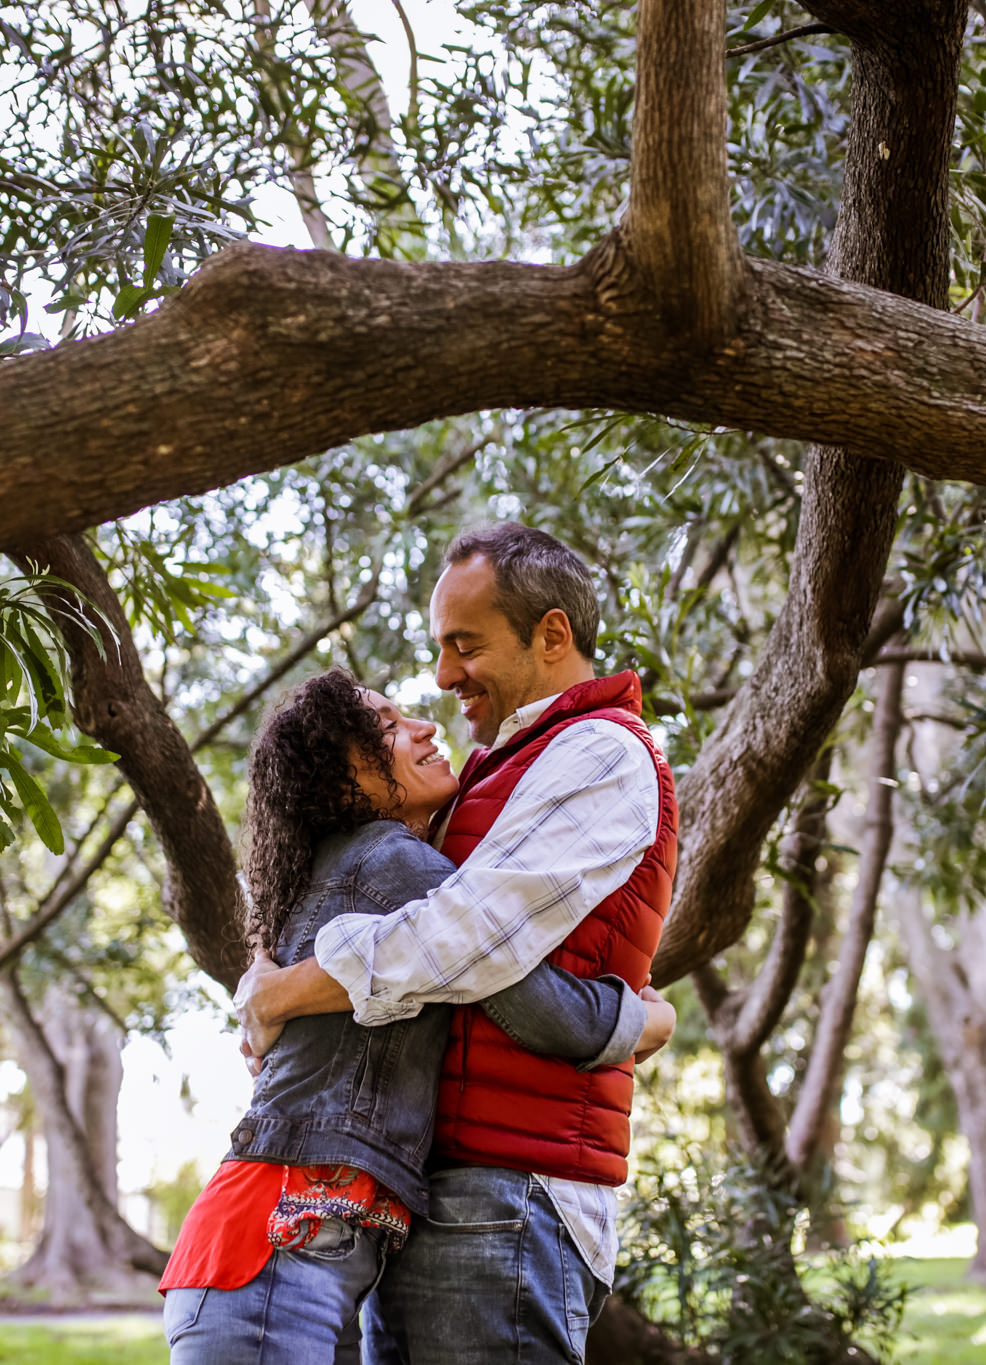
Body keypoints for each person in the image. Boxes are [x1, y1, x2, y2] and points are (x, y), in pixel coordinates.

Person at [236, 523, 680, 1365]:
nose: (444, 678)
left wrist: (290, 991)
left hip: (509, 1194)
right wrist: (262, 983)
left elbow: (466, 940)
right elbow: (370, 908)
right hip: (431, 1189)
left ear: (552, 634)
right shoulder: (492, 771)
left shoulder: (599, 753)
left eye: (464, 644)